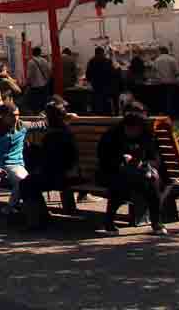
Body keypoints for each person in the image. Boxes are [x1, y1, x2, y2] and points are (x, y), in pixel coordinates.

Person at [97, 106, 169, 235]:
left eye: (137, 129)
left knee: (152, 181)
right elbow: (104, 160)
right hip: (113, 173)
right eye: (130, 128)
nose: (133, 131)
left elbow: (156, 160)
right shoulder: (112, 136)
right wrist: (122, 160)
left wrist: (142, 163)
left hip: (142, 175)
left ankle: (156, 222)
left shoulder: (147, 136)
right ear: (125, 126)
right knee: (122, 180)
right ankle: (109, 222)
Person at [21, 101, 80, 228]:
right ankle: (42, 217)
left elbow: (52, 160)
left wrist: (33, 152)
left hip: (62, 175)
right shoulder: (63, 131)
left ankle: (36, 221)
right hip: (61, 172)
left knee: (27, 183)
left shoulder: (57, 135)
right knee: (29, 182)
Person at [0, 103, 38, 226]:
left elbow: (42, 124)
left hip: (16, 165)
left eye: (17, 115)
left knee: (23, 181)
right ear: (3, 116)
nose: (16, 118)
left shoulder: (22, 125)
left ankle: (7, 211)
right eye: (12, 116)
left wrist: (65, 118)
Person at [86, 46, 119, 115]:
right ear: (103, 53)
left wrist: (91, 81)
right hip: (106, 87)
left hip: (96, 86)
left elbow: (88, 75)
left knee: (98, 104)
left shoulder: (91, 61)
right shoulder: (107, 61)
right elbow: (113, 74)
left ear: (95, 53)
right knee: (106, 104)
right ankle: (107, 116)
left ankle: (98, 116)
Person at [24, 48, 51, 114]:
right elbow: (49, 71)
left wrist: (27, 83)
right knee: (44, 102)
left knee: (35, 103)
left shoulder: (31, 62)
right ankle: (44, 115)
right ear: (40, 53)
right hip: (44, 85)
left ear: (33, 53)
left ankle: (37, 115)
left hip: (35, 86)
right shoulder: (45, 61)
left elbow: (29, 75)